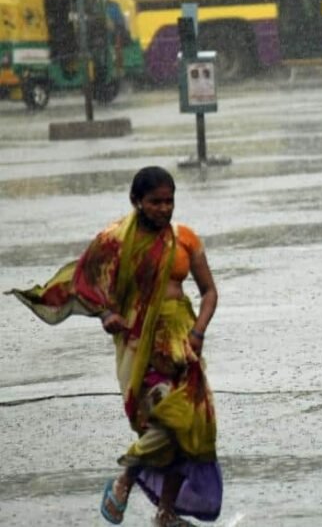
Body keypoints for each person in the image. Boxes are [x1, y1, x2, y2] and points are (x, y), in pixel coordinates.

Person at [7, 166, 222, 526]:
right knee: (170, 420)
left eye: (169, 201)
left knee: (190, 429)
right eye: (155, 202)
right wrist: (106, 313)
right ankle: (127, 477)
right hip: (140, 343)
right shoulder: (115, 241)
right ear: (136, 201)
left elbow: (209, 292)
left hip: (183, 343)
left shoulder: (185, 239)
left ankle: (166, 514)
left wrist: (198, 333)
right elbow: (85, 282)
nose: (164, 208)